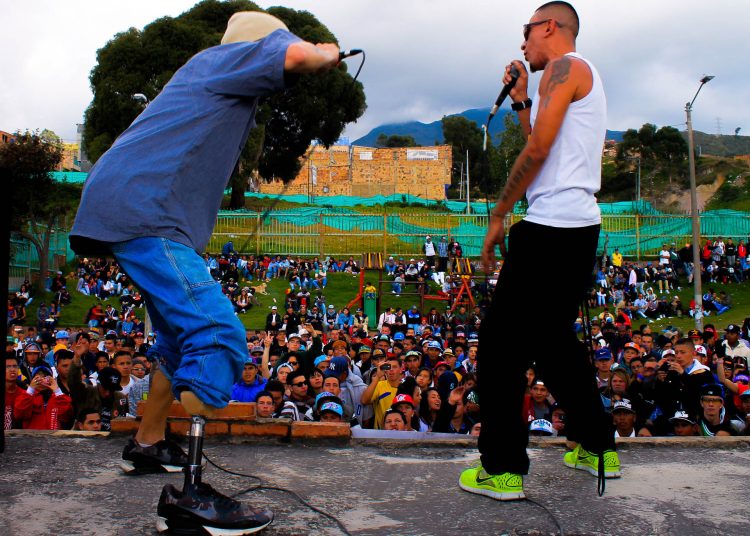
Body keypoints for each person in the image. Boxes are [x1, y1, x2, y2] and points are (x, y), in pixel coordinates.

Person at [67, 10, 341, 530]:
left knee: (176, 342)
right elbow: (295, 54)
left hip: (133, 208)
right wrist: (326, 52)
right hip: (147, 212)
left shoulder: (211, 77)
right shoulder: (227, 57)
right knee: (217, 340)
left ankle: (148, 442)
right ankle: (190, 499)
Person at [460, 2, 619, 502]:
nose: (522, 42)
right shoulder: (573, 75)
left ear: (549, 27)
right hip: (577, 228)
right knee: (553, 344)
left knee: (499, 350)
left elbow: (536, 153)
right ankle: (597, 446)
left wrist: (498, 214)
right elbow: (544, 145)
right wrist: (522, 101)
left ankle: (502, 468)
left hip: (549, 227)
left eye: (526, 31)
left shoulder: (564, 66)